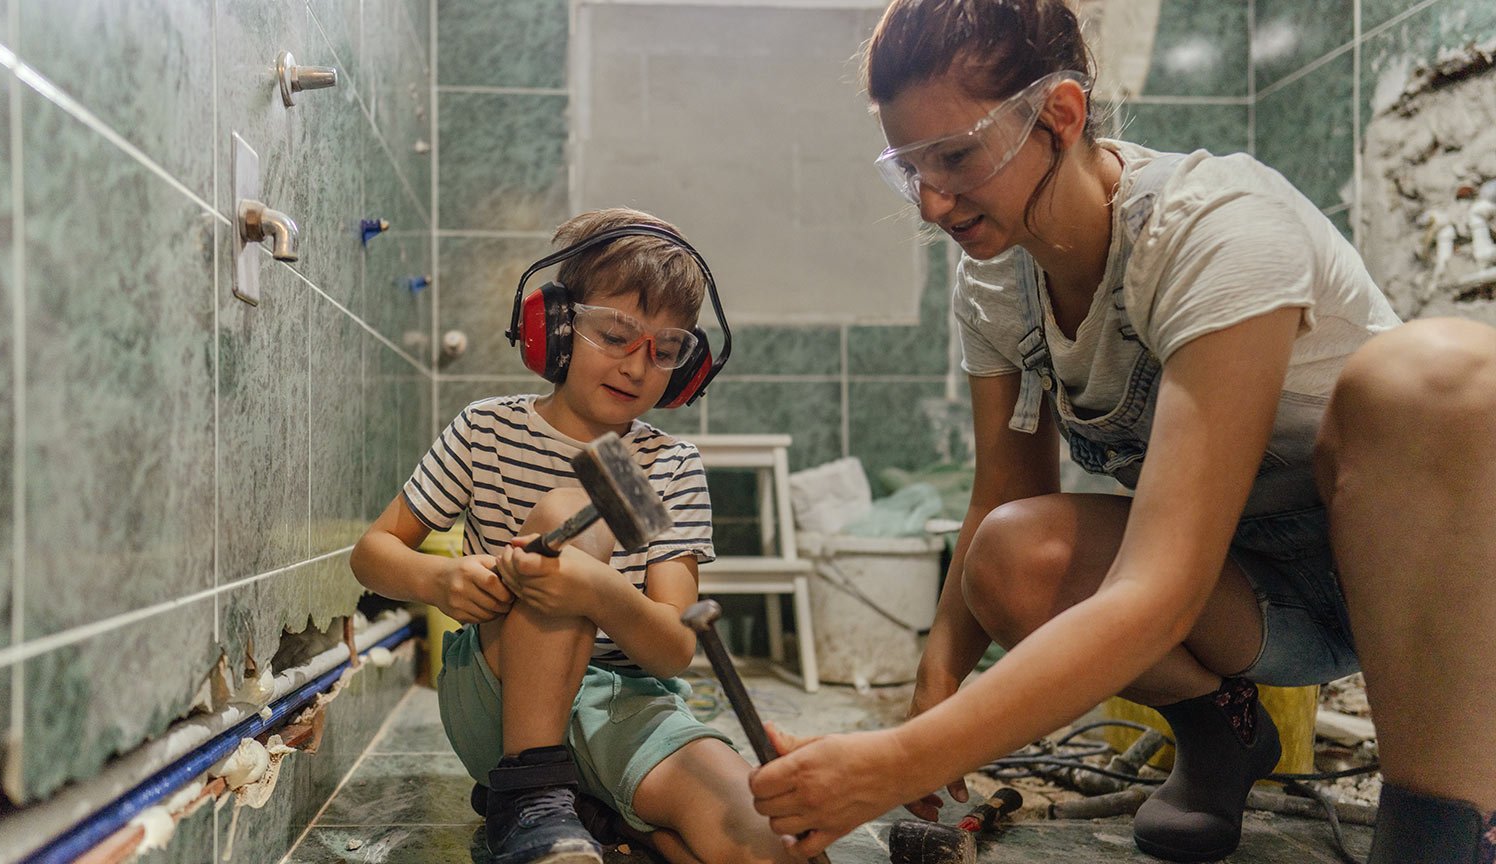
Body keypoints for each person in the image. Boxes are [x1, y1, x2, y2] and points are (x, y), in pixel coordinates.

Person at [747, 2, 1496, 862]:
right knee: (1008, 548)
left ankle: (1445, 822)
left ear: (1060, 116)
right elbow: (1004, 493)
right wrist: (935, 687)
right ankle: (1222, 732)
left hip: (1413, 584)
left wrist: (897, 762)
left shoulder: (1215, 229)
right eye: (909, 168)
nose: (932, 200)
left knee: (1434, 371)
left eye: (954, 157)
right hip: (1256, 592)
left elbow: (1164, 587)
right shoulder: (998, 279)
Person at [351, 207, 795, 864]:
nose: (637, 366)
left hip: (630, 705)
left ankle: (605, 816)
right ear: (555, 328)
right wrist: (438, 579)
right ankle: (529, 793)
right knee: (569, 504)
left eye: (664, 349)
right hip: (498, 699)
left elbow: (673, 650)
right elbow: (371, 555)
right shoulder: (485, 431)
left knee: (764, 841)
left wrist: (601, 594)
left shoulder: (669, 468)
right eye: (615, 334)